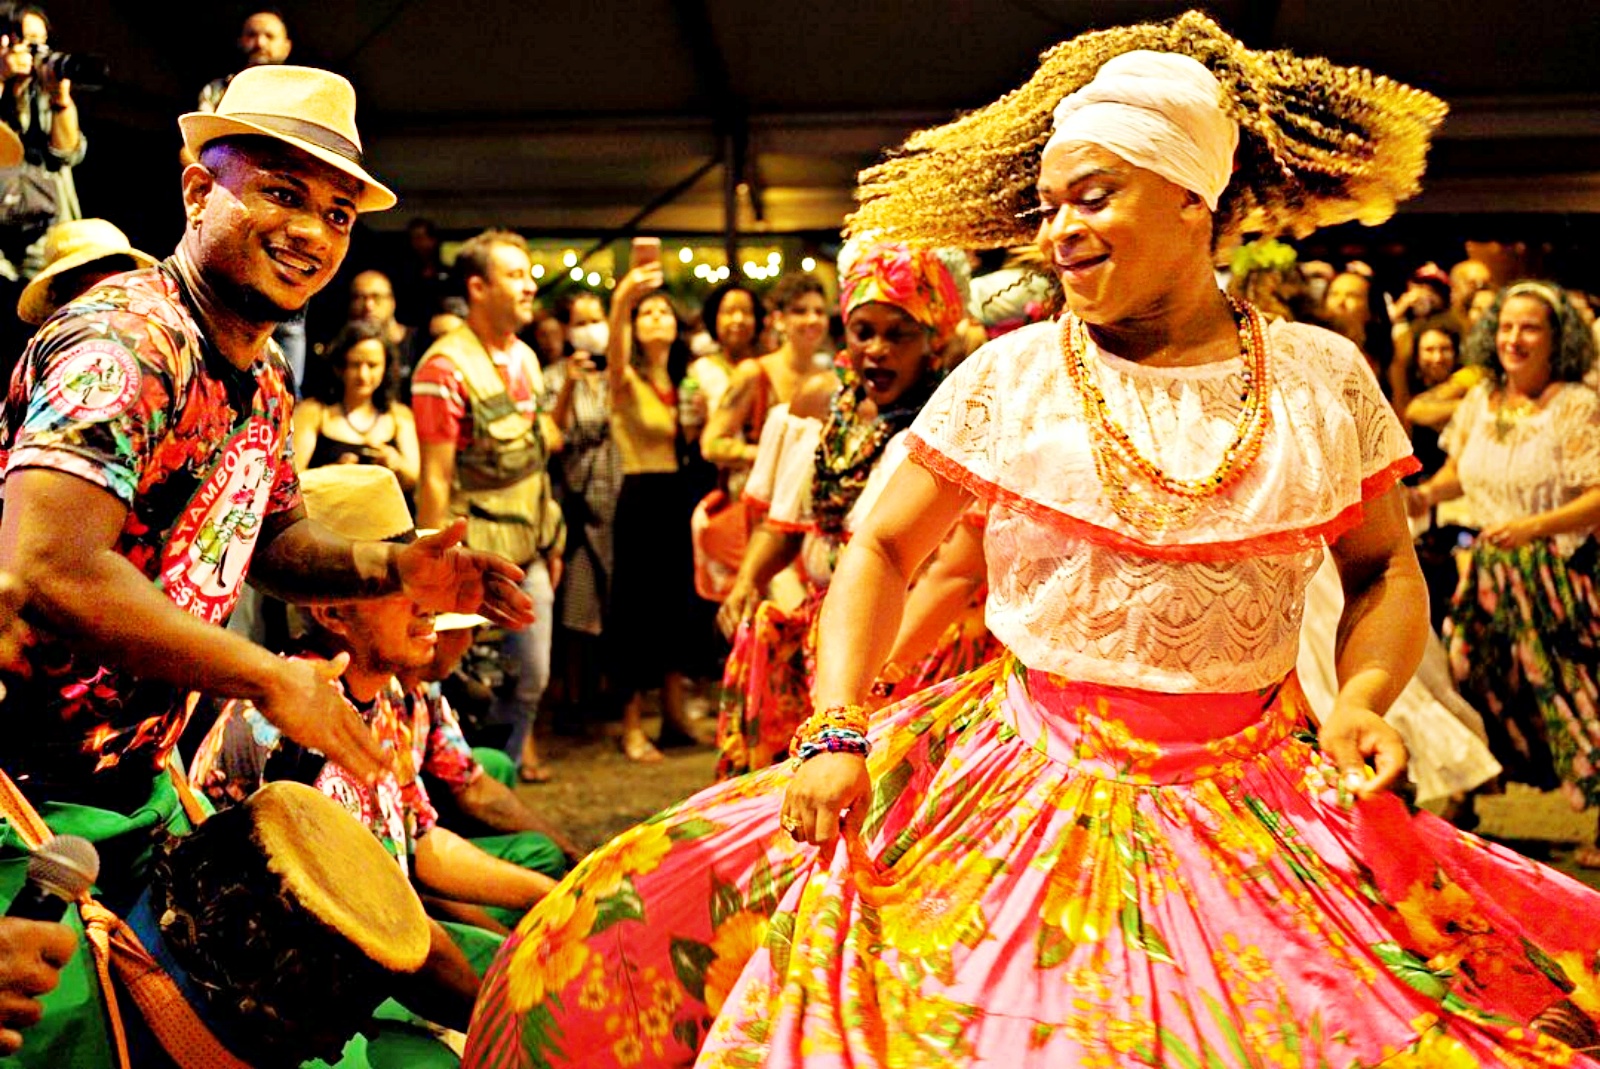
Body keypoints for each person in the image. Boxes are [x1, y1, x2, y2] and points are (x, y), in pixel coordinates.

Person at [465, 16, 1600, 1067]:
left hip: (1256, 795)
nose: (1059, 229)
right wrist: (836, 729)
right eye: (1050, 204)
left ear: (1192, 202)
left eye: (1093, 197)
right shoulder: (1011, 377)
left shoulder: (1319, 378)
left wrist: (1359, 699)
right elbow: (882, 550)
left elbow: (1382, 567)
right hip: (1024, 782)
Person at [0, 64, 535, 1069]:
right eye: (281, 192)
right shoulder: (129, 343)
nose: (312, 232)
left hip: (127, 781)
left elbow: (270, 536)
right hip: (21, 786)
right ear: (201, 188)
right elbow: (46, 566)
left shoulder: (255, 368)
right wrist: (262, 674)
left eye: (336, 212)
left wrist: (391, 565)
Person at [189, 466, 561, 938]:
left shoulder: (382, 696)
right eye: (401, 585)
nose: (428, 606)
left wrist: (545, 894)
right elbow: (343, 922)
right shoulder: (288, 721)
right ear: (332, 613)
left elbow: (418, 841)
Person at [711, 242, 969, 779]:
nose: (877, 348)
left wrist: (888, 662)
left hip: (904, 641)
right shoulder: (818, 405)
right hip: (820, 630)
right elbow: (788, 525)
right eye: (863, 330)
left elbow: (944, 565)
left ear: (935, 340)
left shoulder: (951, 423)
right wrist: (746, 582)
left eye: (899, 334)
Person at [1407, 282, 1600, 867]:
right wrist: (1417, 498)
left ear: (1556, 338)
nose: (1515, 339)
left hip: (1555, 574)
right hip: (1488, 574)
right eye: (1507, 327)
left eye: (1530, 328)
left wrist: (1534, 527)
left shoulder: (1575, 406)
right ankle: (1470, 793)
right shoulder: (1481, 402)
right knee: (1471, 678)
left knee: (1570, 695)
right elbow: (1458, 477)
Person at [413, 229, 565, 785]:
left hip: (532, 545)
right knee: (464, 676)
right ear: (478, 287)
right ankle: (461, 786)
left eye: (529, 275)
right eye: (515, 276)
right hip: (476, 553)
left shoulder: (525, 358)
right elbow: (436, 475)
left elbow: (534, 462)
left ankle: (505, 775)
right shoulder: (443, 369)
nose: (530, 287)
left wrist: (553, 539)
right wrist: (434, 566)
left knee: (532, 674)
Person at [602, 266, 706, 762]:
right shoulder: (625, 378)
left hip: (677, 494)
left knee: (676, 608)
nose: (658, 317)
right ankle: (631, 726)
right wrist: (625, 299)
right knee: (635, 611)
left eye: (664, 310)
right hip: (640, 495)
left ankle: (675, 714)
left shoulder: (684, 378)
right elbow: (615, 351)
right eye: (648, 313)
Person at [0, 4, 83, 281]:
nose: (38, 52)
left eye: (43, 43)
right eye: (29, 43)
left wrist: (61, 100)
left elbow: (67, 154)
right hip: (9, 261)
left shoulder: (43, 94)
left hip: (57, 246)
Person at [292, 317, 421, 490]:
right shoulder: (313, 412)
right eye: (355, 364)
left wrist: (395, 463)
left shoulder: (399, 415)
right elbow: (291, 480)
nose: (363, 375)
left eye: (372, 365)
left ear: (386, 367)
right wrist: (333, 474)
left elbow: (414, 479)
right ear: (340, 366)